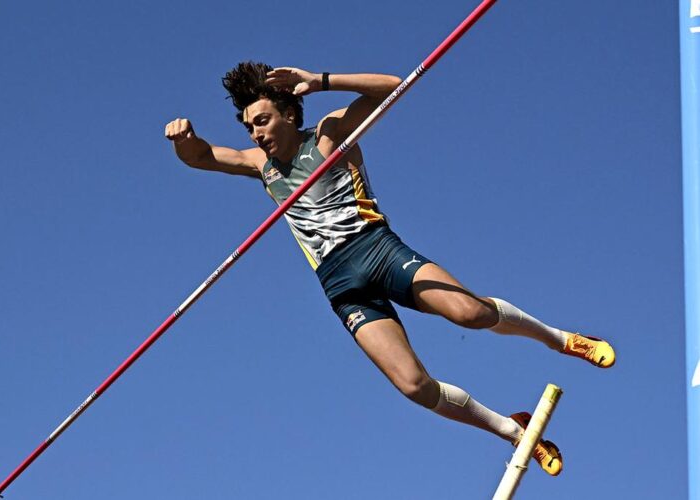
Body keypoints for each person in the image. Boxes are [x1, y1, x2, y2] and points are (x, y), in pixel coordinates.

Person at [164, 62, 616, 476]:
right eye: (248, 127)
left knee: (470, 314)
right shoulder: (259, 166)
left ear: (287, 113)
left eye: (261, 121)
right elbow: (202, 156)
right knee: (414, 385)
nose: (255, 134)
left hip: (377, 250)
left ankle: (563, 340)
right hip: (341, 285)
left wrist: (320, 81)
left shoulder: (328, 133)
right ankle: (514, 430)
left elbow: (392, 88)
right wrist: (185, 141)